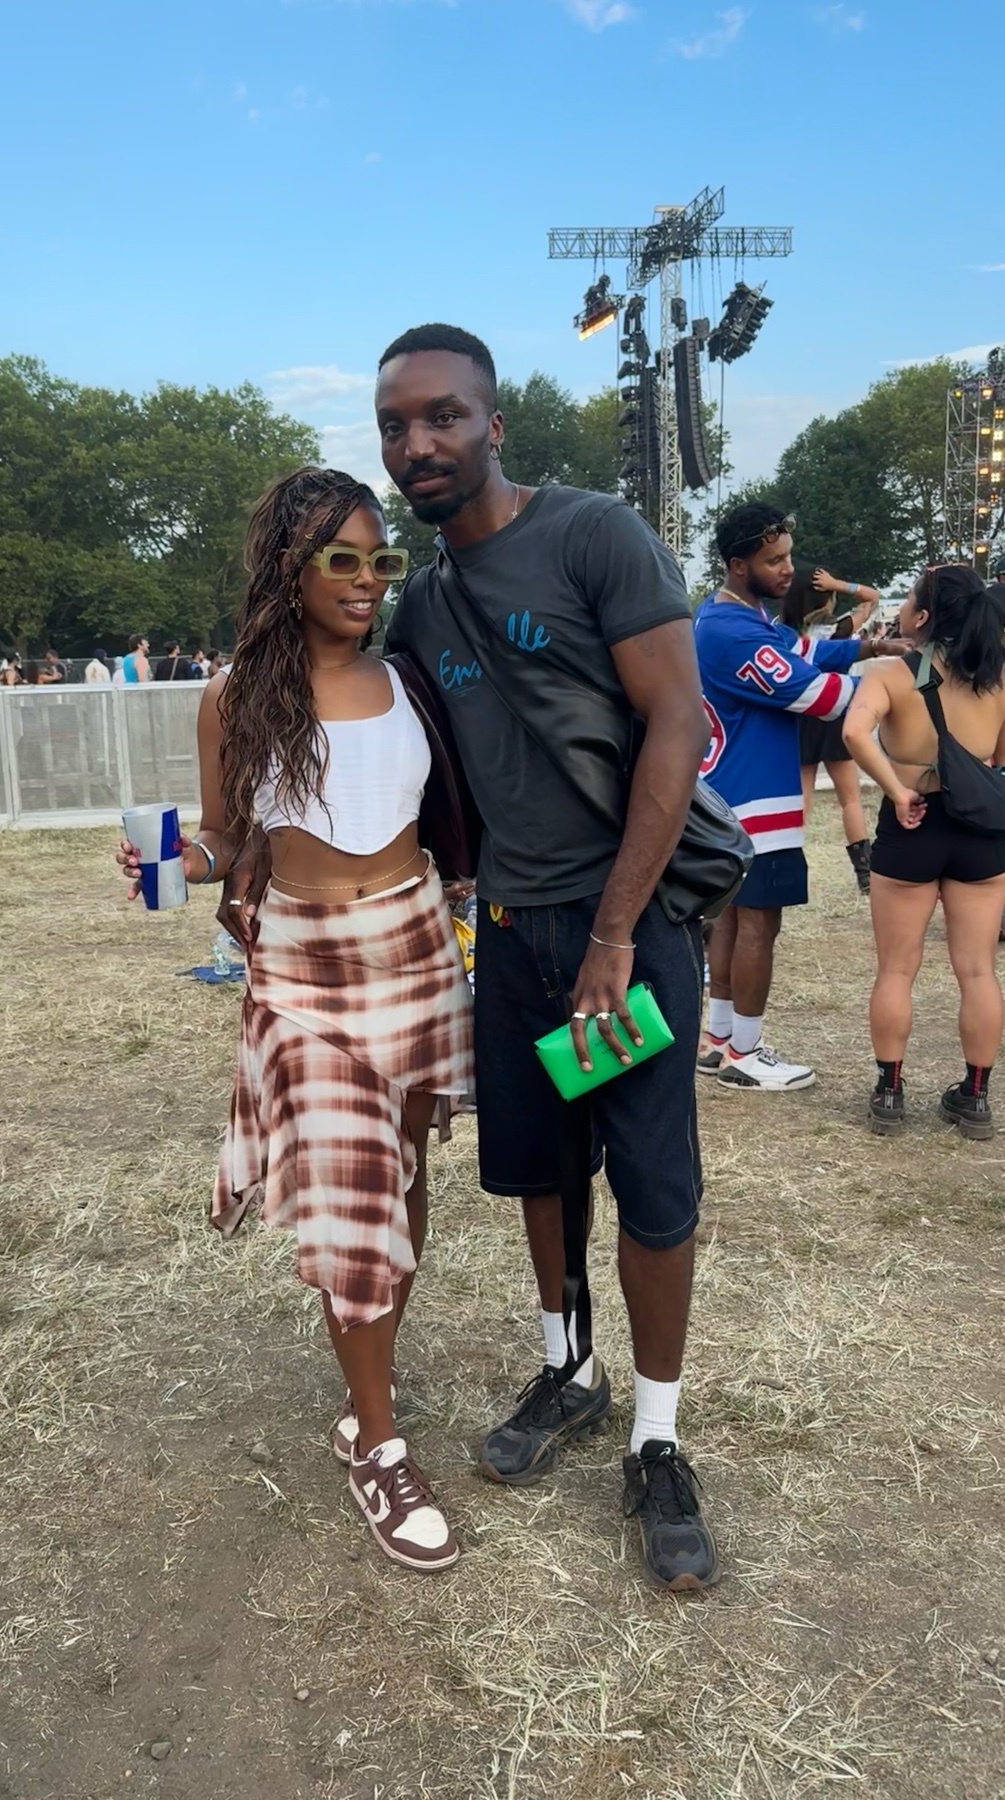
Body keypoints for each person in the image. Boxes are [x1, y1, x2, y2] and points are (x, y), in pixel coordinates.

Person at [378, 323, 718, 1591]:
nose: (420, 444)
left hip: (623, 935)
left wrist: (618, 936)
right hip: (513, 935)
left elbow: (678, 724)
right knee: (540, 1172)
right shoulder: (422, 601)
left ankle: (657, 1437)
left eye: (443, 417)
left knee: (651, 1183)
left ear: (492, 423)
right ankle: (568, 1370)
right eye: (398, 427)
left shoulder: (592, 534)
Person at [118, 467, 473, 1572]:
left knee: (401, 1188)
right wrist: (179, 855)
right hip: (304, 969)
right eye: (342, 561)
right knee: (356, 1201)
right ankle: (378, 1438)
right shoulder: (233, 696)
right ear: (289, 566)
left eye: (381, 562)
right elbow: (228, 838)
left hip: (415, 950)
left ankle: (365, 1392)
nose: (367, 582)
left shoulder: (411, 680)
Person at [694, 505, 907, 1092]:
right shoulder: (729, 629)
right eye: (774, 560)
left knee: (735, 922)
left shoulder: (739, 615)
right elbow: (810, 691)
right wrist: (895, 684)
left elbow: (804, 652)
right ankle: (745, 1049)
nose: (790, 569)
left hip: (736, 797)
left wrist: (871, 648)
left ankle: (718, 1039)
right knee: (760, 924)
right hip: (754, 802)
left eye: (787, 554)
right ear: (739, 565)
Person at [842, 565, 1005, 1138]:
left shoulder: (891, 673)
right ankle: (975, 1096)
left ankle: (889, 1091)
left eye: (910, 596)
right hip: (982, 831)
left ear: (925, 615)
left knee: (896, 968)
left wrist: (897, 789)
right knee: (978, 970)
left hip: (912, 823)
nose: (905, 604)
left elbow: (854, 733)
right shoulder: (997, 675)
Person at [779, 564, 881, 896]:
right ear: (826, 601)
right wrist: (840, 583)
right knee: (849, 799)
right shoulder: (840, 630)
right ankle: (865, 873)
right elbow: (873, 598)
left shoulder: (783, 632)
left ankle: (785, 863)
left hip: (800, 713)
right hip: (836, 712)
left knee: (801, 798)